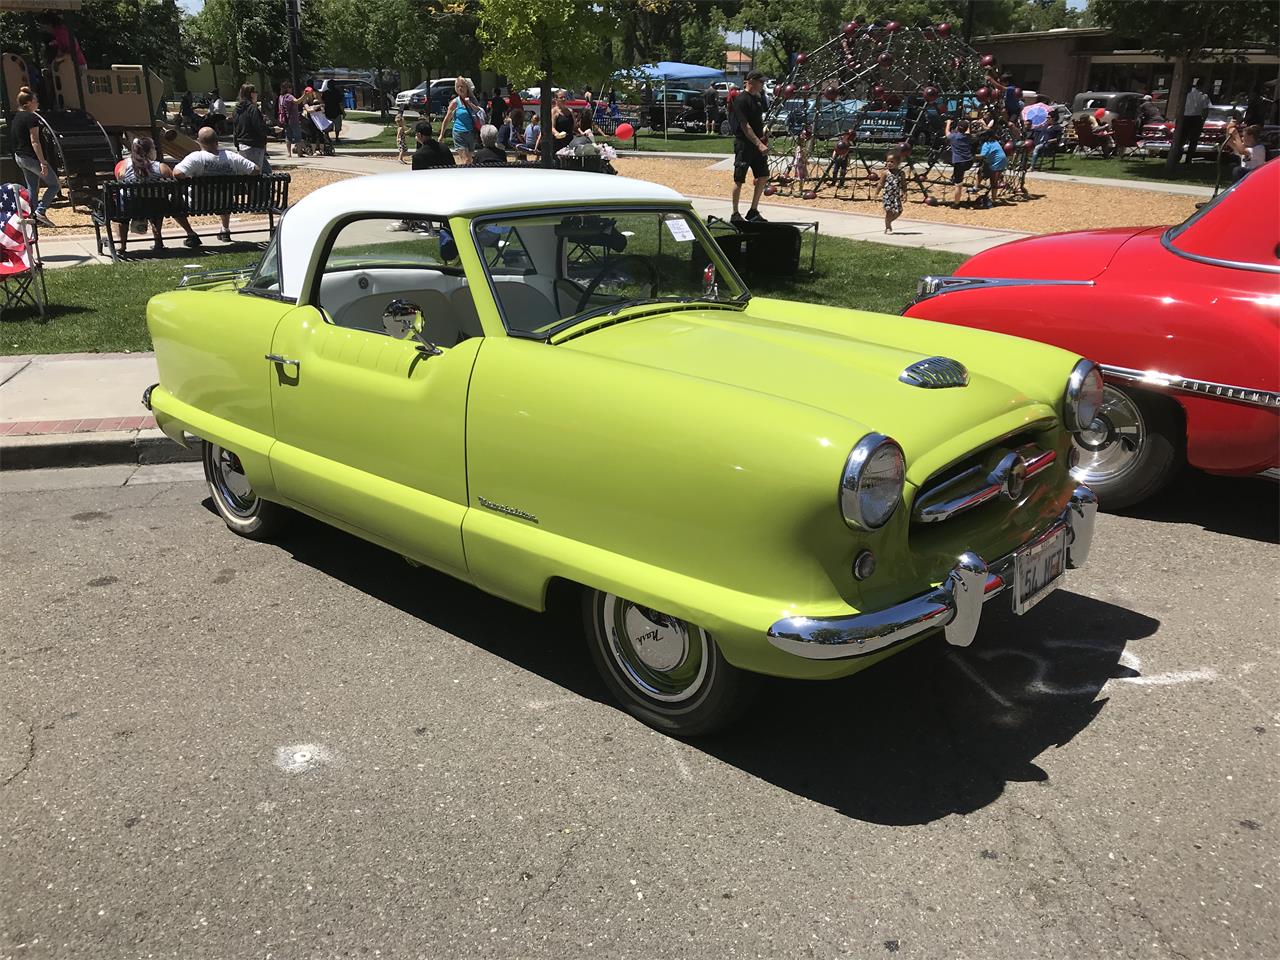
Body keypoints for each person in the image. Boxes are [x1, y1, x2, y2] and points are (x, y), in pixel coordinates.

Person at [114, 136, 201, 254]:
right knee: (162, 201)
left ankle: (122, 245)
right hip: (158, 208)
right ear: (150, 151)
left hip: (130, 208)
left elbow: (119, 181)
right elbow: (174, 187)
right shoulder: (161, 168)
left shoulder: (124, 166)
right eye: (154, 148)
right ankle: (159, 241)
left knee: (123, 201)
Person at [174, 126, 260, 243]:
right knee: (224, 195)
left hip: (198, 204)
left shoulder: (196, 157)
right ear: (217, 141)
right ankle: (225, 229)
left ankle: (191, 233)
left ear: (198, 141)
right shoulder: (231, 156)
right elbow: (255, 170)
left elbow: (177, 173)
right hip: (225, 202)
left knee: (172, 199)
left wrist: (189, 178)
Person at [10, 87, 60, 227]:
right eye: (35, 101)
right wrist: (42, 162)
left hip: (20, 157)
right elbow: (35, 141)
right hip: (31, 157)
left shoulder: (16, 117)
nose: (37, 103)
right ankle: (40, 211)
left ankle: (32, 216)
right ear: (28, 103)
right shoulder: (31, 118)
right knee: (55, 185)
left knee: (32, 186)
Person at [730, 70, 770, 225]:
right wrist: (759, 144)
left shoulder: (757, 99)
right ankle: (735, 213)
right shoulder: (741, 100)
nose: (763, 84)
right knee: (739, 179)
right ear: (751, 81)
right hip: (744, 144)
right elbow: (745, 126)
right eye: (761, 82)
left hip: (757, 144)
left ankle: (753, 211)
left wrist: (763, 133)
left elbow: (756, 121)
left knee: (763, 175)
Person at [233, 83, 274, 173]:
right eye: (256, 92)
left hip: (242, 145)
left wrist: (237, 144)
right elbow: (259, 127)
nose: (257, 94)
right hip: (254, 146)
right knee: (255, 173)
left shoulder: (236, 110)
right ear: (251, 94)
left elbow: (235, 129)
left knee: (267, 171)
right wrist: (273, 131)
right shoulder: (253, 109)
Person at [440, 77, 482, 164]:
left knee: (470, 160)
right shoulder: (455, 102)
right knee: (465, 160)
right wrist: (441, 135)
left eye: (462, 86)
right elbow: (447, 119)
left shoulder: (473, 100)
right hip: (459, 133)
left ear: (467, 88)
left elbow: (479, 112)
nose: (460, 88)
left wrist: (469, 103)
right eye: (458, 86)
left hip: (471, 133)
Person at [1179, 79, 1211, 165]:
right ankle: (1188, 159)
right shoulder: (1204, 96)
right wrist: (1203, 120)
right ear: (1203, 86)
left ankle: (1177, 156)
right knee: (1193, 140)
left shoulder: (1187, 94)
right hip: (1196, 118)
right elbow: (1205, 110)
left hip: (1185, 117)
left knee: (1182, 139)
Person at [875, 149, 908, 233]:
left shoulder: (901, 173)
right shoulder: (885, 173)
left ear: (898, 163)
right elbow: (880, 184)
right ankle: (888, 227)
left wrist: (905, 194)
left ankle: (888, 222)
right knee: (889, 212)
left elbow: (903, 184)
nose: (889, 163)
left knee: (899, 212)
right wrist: (876, 193)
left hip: (896, 196)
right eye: (887, 161)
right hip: (888, 196)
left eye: (892, 162)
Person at [947, 118, 973, 206]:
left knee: (958, 184)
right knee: (959, 175)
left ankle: (956, 203)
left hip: (959, 162)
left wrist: (948, 123)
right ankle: (954, 177)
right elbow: (967, 131)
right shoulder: (967, 137)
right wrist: (968, 124)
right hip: (969, 161)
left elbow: (947, 132)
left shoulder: (953, 137)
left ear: (957, 127)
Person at [977, 131, 1007, 206]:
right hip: (1002, 161)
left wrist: (972, 157)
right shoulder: (995, 142)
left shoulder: (986, 144)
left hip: (996, 162)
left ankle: (976, 186)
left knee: (986, 176)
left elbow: (982, 156)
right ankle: (994, 198)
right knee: (993, 180)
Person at [277, 81, 301, 157]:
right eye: (290, 87)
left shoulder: (281, 97)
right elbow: (297, 101)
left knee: (288, 136)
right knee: (297, 136)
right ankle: (299, 153)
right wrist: (304, 95)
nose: (291, 89)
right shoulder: (289, 96)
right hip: (293, 119)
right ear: (287, 88)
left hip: (285, 119)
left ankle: (289, 153)